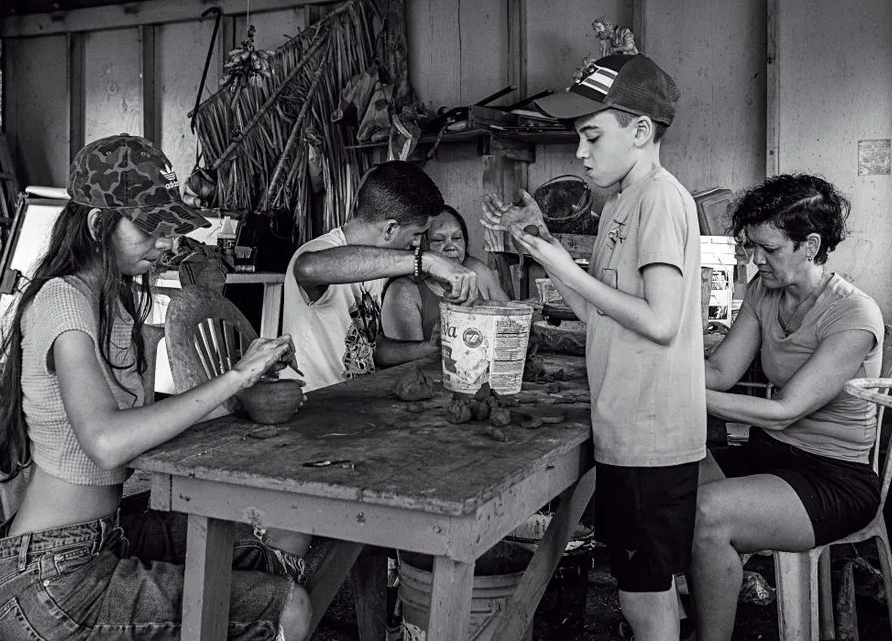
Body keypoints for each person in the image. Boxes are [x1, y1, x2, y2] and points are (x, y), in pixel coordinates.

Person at [0, 134, 312, 641]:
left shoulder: (113, 302)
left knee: (281, 534)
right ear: (97, 225)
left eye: (170, 229)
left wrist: (237, 397)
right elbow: (108, 442)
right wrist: (234, 377)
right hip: (51, 581)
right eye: (151, 228)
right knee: (288, 608)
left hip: (101, 540)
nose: (166, 244)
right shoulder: (62, 301)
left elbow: (144, 421)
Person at [484, 53, 705, 641]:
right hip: (625, 428)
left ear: (639, 130)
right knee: (640, 594)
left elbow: (659, 321)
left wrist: (560, 262)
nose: (580, 152)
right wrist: (544, 244)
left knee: (644, 601)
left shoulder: (660, 198)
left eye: (591, 135)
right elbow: (596, 311)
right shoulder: (619, 204)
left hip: (653, 435)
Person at [689, 174, 884, 641]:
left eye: (769, 249)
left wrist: (677, 395)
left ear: (810, 245)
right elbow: (718, 374)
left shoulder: (854, 314)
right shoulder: (763, 292)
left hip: (834, 477)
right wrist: (655, 372)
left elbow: (786, 411)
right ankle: (702, 587)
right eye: (751, 246)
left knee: (707, 511)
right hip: (771, 456)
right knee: (668, 462)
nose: (756, 259)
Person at [283, 161, 479, 391]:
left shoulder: (379, 265)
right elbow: (307, 268)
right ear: (389, 229)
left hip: (356, 401)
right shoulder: (321, 249)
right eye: (416, 234)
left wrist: (430, 347)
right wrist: (426, 260)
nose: (417, 243)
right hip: (313, 405)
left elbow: (373, 348)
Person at [377, 205, 508, 367]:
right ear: (419, 245)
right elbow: (412, 369)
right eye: (439, 240)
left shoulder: (476, 270)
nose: (451, 246)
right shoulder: (404, 291)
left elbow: (511, 324)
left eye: (457, 238)